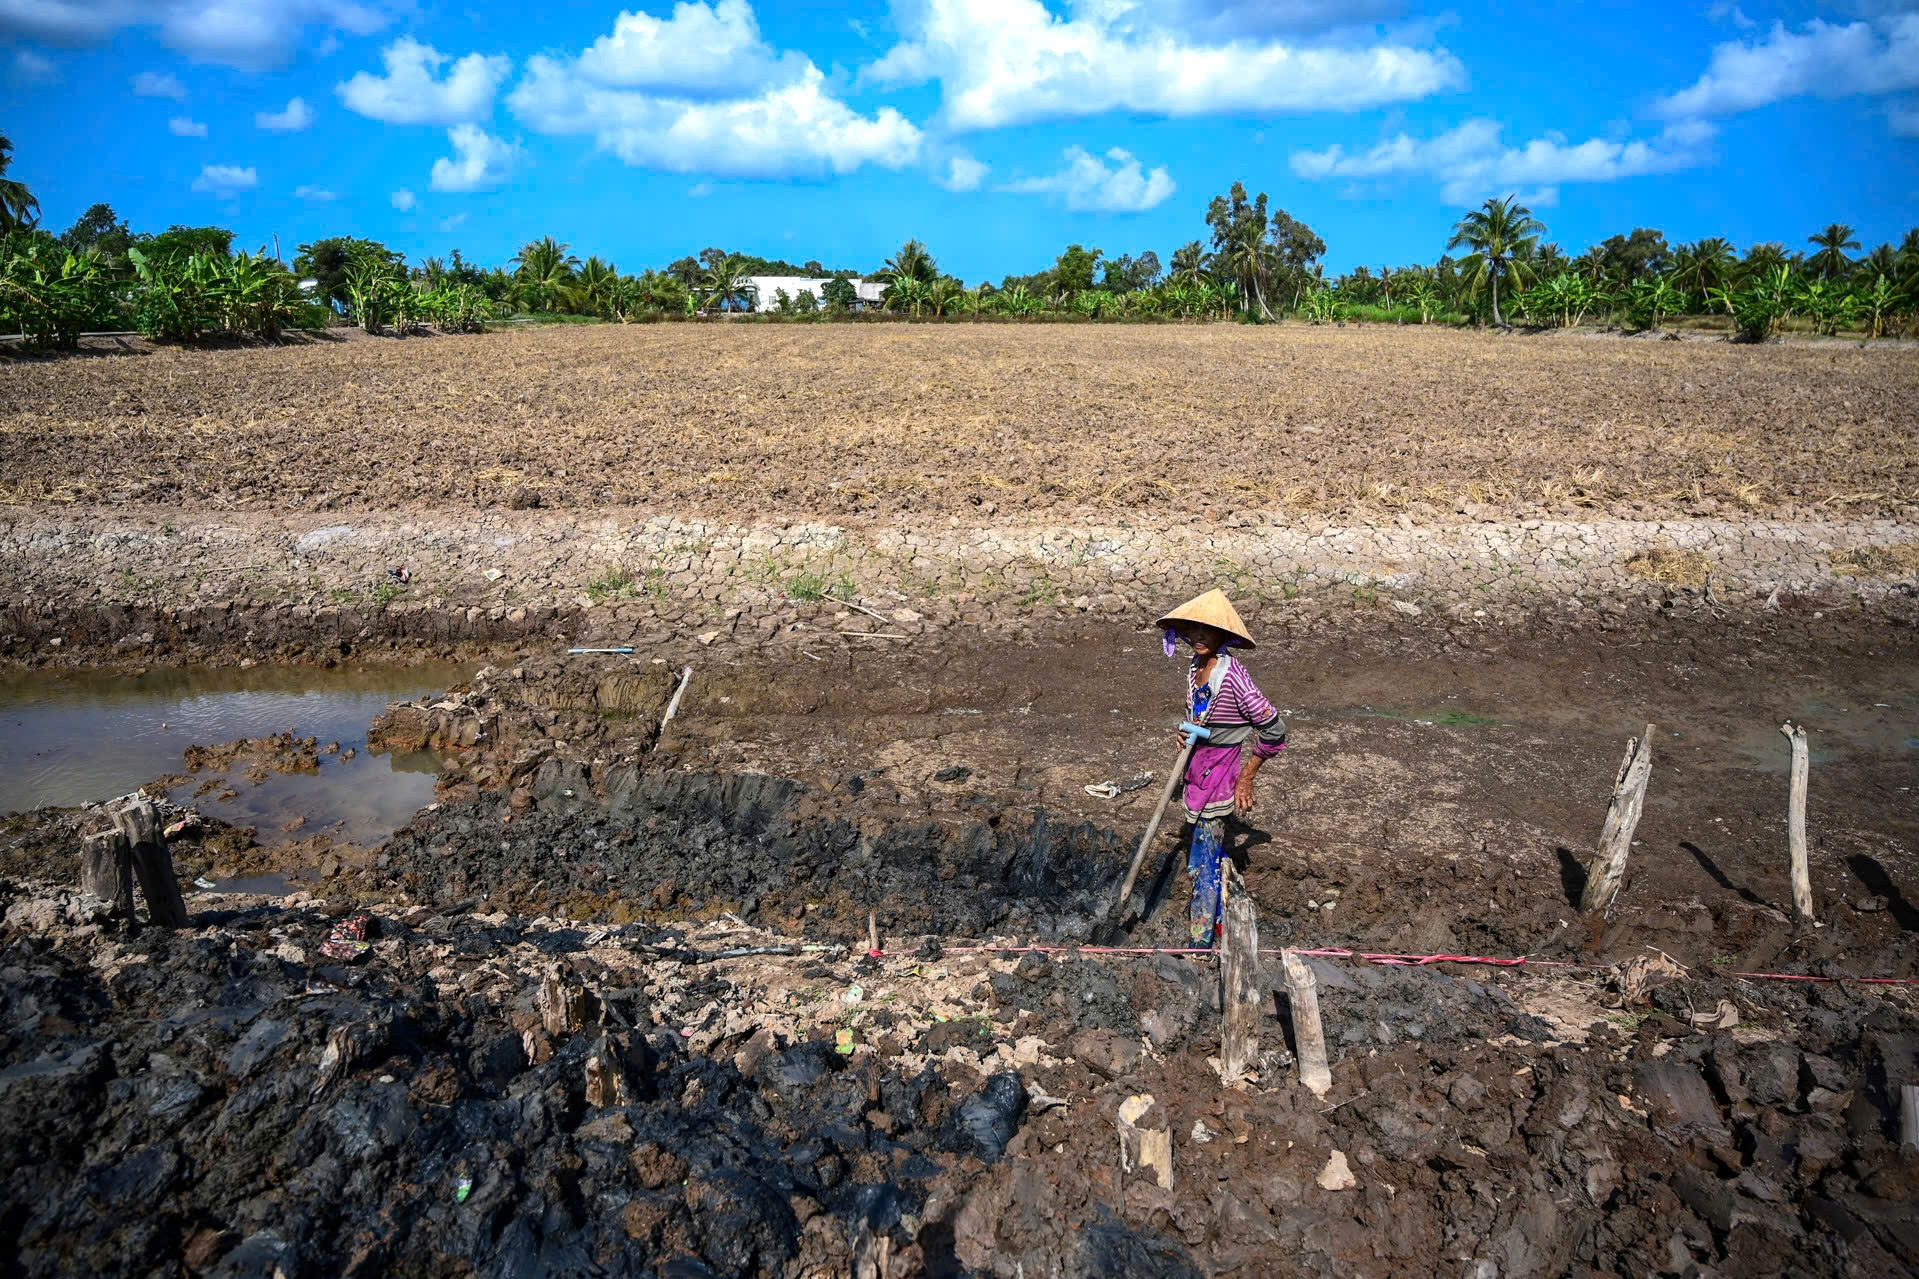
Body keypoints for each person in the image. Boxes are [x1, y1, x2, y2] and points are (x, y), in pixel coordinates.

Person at [1156, 589, 1287, 948]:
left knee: (1207, 856)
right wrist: (1184, 734)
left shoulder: (1233, 678)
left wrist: (1246, 778)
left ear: (1223, 636)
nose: (1198, 637)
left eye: (1207, 631)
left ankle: (1200, 943)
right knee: (1200, 852)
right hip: (1196, 772)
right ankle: (1215, 924)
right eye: (1193, 629)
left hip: (1221, 776)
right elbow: (1196, 717)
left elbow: (1274, 730)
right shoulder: (1196, 668)